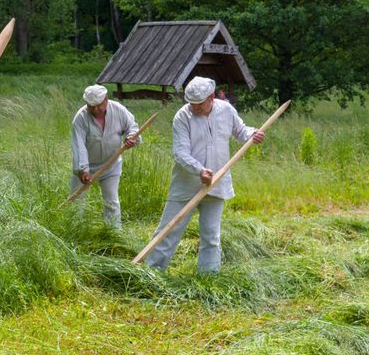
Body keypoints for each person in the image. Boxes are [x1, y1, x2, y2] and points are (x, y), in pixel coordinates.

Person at [144, 76, 265, 273]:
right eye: (191, 104)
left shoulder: (226, 110)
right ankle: (153, 271)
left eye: (199, 104)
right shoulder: (182, 117)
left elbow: (241, 130)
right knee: (168, 230)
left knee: (211, 235)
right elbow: (180, 153)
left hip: (216, 183)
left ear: (211, 97)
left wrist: (252, 134)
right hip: (186, 184)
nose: (195, 108)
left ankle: (208, 276)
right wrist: (199, 170)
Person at [69, 84, 140, 227]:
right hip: (86, 166)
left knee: (111, 201)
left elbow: (132, 127)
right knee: (76, 201)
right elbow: (79, 146)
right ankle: (75, 232)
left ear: (106, 100)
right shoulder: (80, 118)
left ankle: (114, 233)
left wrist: (132, 137)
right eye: (91, 106)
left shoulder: (119, 110)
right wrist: (83, 169)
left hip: (111, 164)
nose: (95, 109)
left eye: (98, 105)